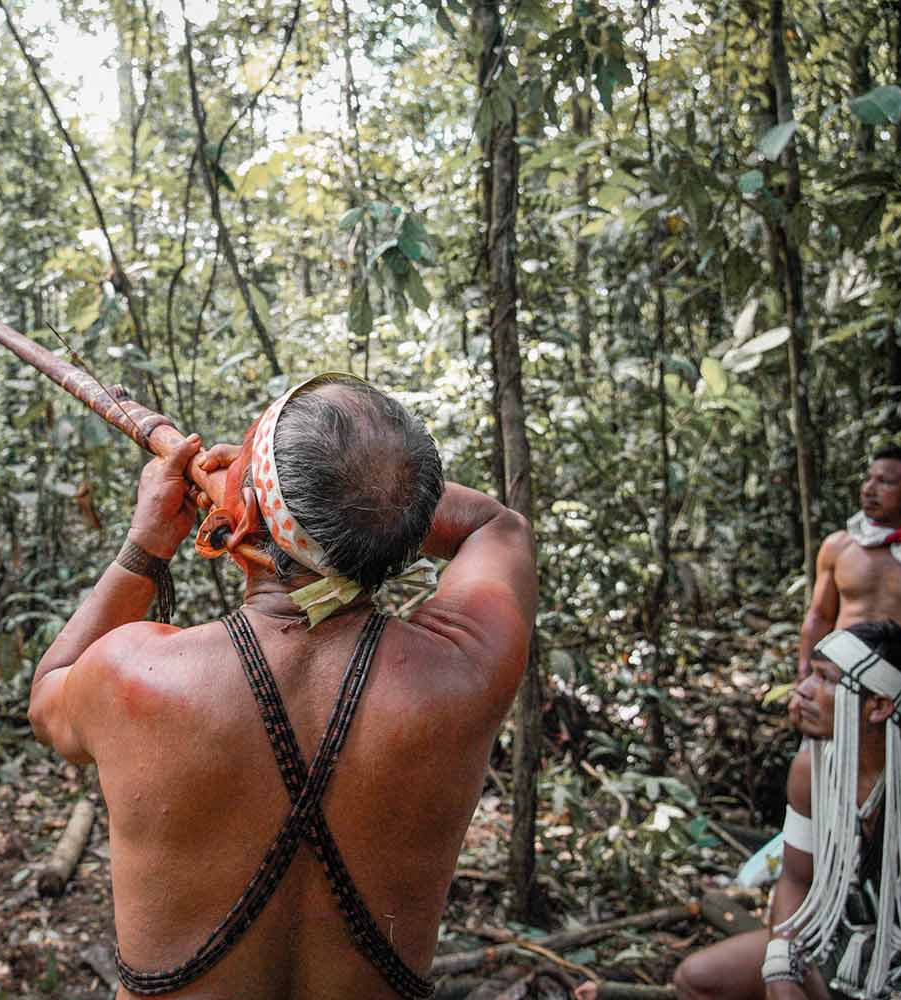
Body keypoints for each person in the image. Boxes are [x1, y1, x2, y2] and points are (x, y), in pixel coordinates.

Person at [28, 373, 536, 999]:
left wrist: (148, 543)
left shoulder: (134, 674)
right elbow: (495, 525)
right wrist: (357, 505)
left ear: (242, 518)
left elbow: (49, 690)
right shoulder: (464, 673)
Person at [669, 619, 901, 1000]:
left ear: (878, 706)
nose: (804, 690)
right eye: (810, 675)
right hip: (842, 938)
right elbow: (797, 878)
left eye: (826, 679)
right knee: (698, 980)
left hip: (899, 958)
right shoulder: (811, 771)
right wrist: (781, 963)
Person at [798, 446, 901, 681]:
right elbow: (819, 616)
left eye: (885, 482)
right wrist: (805, 675)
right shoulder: (839, 546)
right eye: (868, 479)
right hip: (839, 672)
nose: (869, 489)